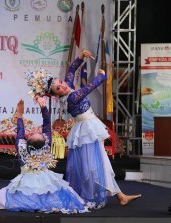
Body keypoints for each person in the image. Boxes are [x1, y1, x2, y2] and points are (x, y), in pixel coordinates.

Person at [26, 49, 141, 208]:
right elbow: (90, 87)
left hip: (87, 128)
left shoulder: (69, 90)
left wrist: (80, 56)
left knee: (101, 163)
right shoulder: (72, 97)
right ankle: (92, 196)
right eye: (59, 88)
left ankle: (120, 196)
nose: (63, 86)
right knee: (92, 167)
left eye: (61, 82)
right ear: (56, 95)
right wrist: (102, 75)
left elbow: (71, 70)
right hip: (87, 130)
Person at [0, 98, 89, 213]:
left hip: (27, 180)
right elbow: (46, 123)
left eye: (34, 134)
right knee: (52, 192)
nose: (36, 132)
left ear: (28, 140)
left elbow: (20, 131)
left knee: (11, 195)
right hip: (45, 177)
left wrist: (20, 114)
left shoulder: (21, 147)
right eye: (38, 133)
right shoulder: (46, 144)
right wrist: (43, 107)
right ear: (45, 141)